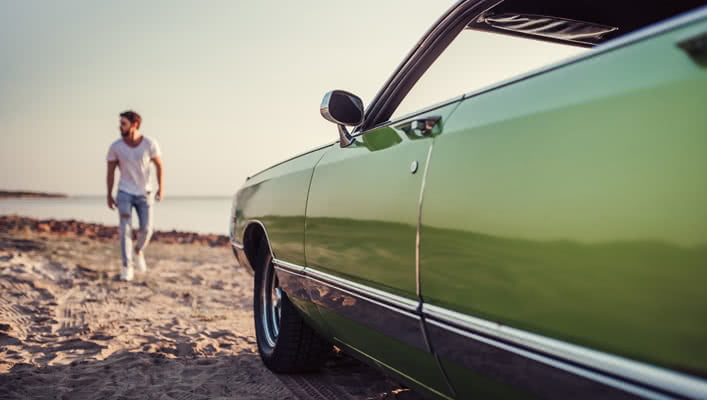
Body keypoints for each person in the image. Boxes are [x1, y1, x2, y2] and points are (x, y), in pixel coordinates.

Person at [106, 110, 164, 281]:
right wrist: (109, 194)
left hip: (145, 193)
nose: (120, 127)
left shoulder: (149, 144)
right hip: (124, 192)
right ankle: (127, 266)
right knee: (125, 229)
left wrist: (161, 188)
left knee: (147, 229)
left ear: (135, 125)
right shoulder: (116, 147)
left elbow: (159, 166)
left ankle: (138, 250)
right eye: (120, 123)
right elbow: (110, 172)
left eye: (124, 123)